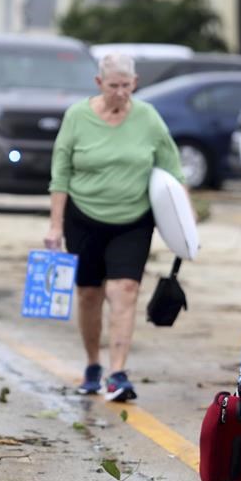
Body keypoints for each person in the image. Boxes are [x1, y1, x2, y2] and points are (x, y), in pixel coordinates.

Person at [45, 53, 185, 402]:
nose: (121, 93)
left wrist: (186, 222)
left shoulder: (149, 118)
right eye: (113, 86)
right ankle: (93, 364)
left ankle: (118, 371)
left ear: (135, 83)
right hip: (84, 218)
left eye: (127, 85)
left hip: (133, 220)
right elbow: (60, 174)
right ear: (98, 84)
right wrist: (55, 225)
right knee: (89, 293)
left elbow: (172, 170)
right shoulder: (77, 117)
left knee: (124, 290)